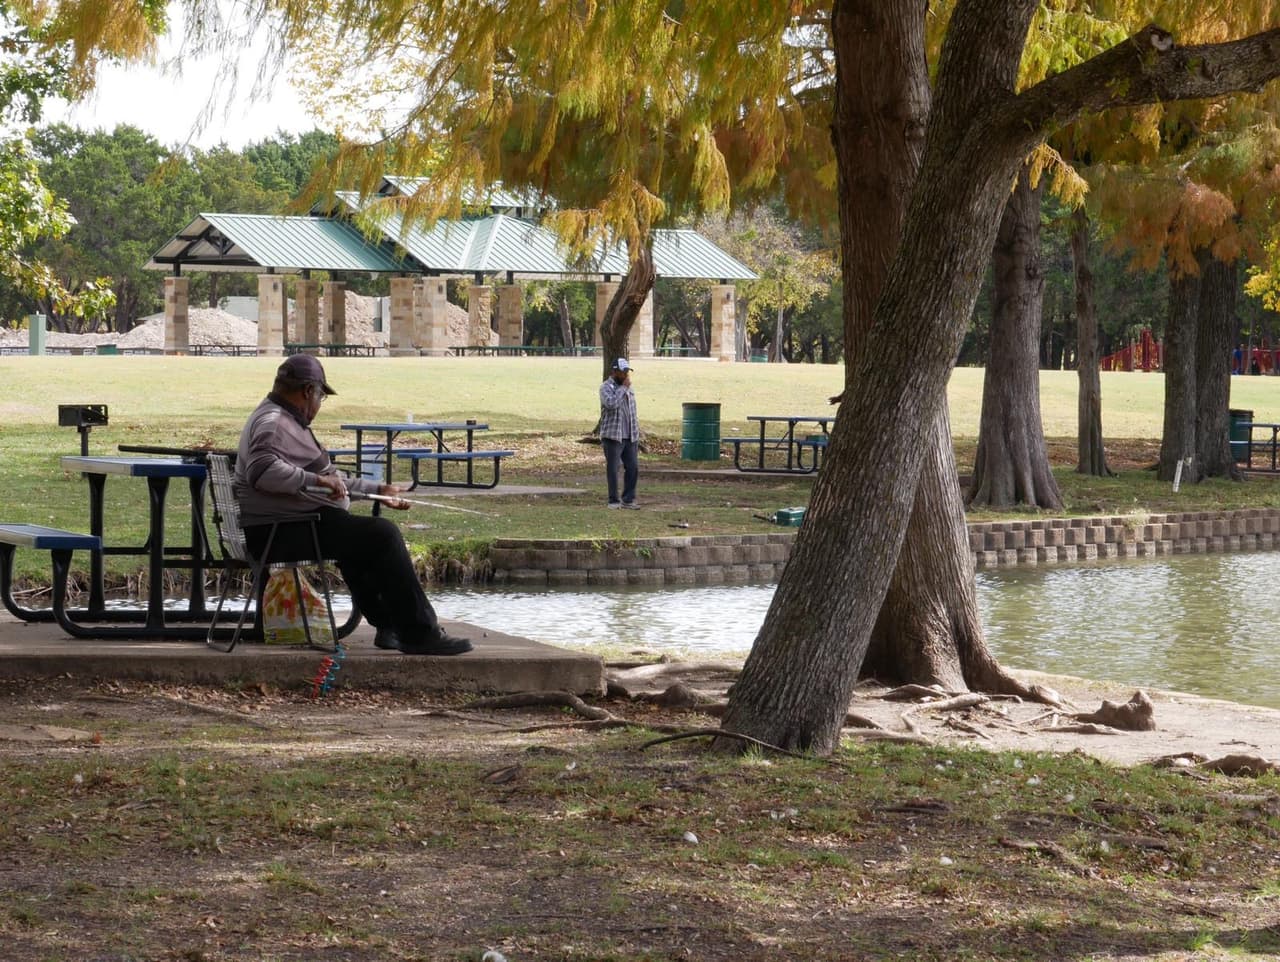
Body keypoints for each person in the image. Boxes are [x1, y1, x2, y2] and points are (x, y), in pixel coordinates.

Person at [233, 354, 472, 655]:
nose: (319, 405)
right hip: (277, 532)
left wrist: (378, 490)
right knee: (381, 535)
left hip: (291, 525)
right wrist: (316, 481)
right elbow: (262, 472)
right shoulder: (274, 422)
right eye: (321, 396)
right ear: (308, 391)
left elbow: (331, 479)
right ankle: (419, 633)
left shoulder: (283, 420)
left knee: (359, 539)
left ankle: (390, 627)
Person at [599, 356, 640, 509]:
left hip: (630, 435)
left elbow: (632, 410)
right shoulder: (605, 387)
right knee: (613, 468)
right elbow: (611, 404)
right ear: (615, 372)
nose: (626, 375)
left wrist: (636, 432)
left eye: (627, 371)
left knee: (633, 467)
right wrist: (623, 388)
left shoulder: (629, 388)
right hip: (613, 435)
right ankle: (613, 500)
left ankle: (628, 499)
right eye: (623, 372)